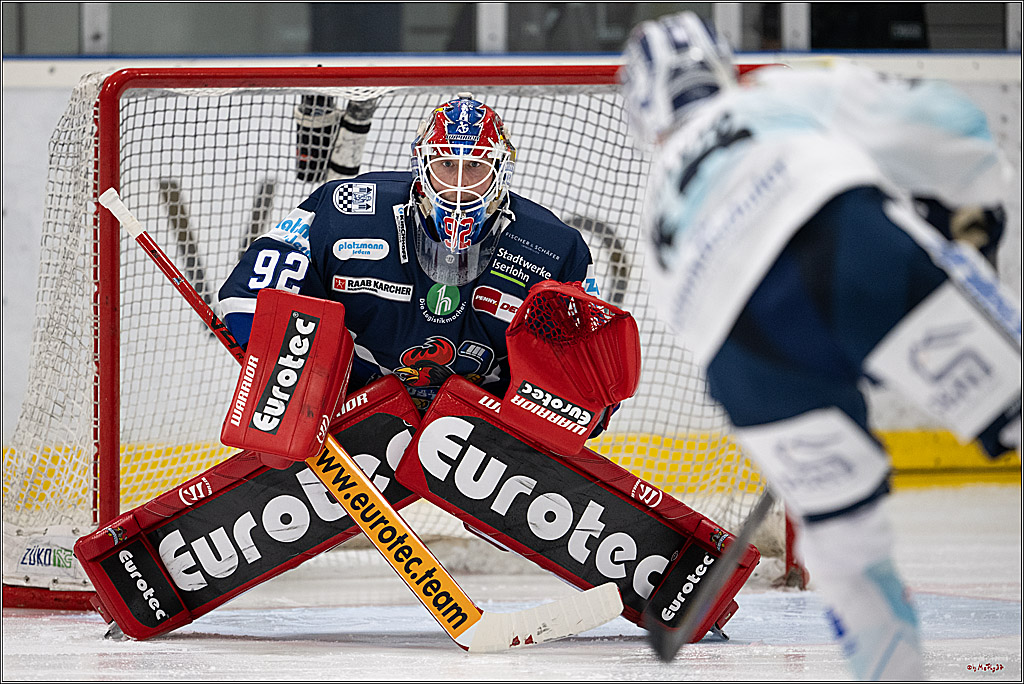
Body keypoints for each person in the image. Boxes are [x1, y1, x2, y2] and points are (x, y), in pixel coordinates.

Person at [619, 11, 1020, 680]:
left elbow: (713, 340)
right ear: (722, 69)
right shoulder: (775, 94)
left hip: (746, 360)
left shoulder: (655, 209)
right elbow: (951, 124)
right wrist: (973, 215)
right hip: (841, 245)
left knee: (847, 550)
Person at [219, 94, 603, 417]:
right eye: (447, 164)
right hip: (353, 406)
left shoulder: (555, 248)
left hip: (485, 423)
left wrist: (550, 419)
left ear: (500, 172)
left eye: (475, 167)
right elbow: (248, 298)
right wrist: (297, 379)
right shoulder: (344, 208)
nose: (458, 184)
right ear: (422, 166)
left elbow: (592, 371)